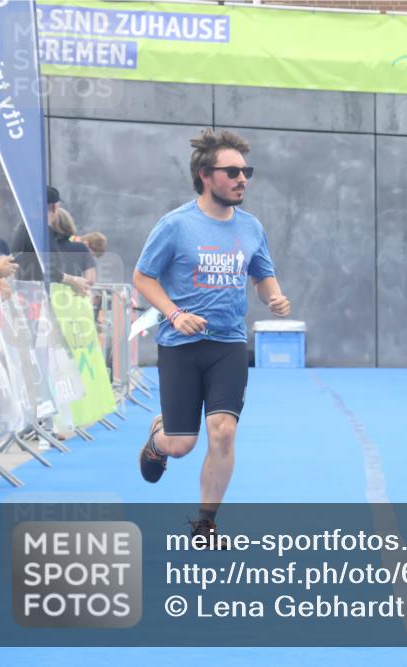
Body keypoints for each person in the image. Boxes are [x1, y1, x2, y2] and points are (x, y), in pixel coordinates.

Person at [134, 128, 290, 542]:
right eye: (233, 171)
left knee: (223, 430)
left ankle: (205, 523)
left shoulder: (252, 227)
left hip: (228, 343)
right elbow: (142, 277)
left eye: (247, 171)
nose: (243, 179)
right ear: (206, 174)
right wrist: (174, 313)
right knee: (182, 444)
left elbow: (262, 275)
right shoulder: (176, 225)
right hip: (180, 345)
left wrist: (273, 298)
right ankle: (158, 437)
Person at [8, 186, 91, 296]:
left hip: (30, 293)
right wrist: (73, 281)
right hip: (32, 296)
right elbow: (44, 266)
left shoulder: (27, 228)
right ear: (54, 207)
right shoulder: (39, 231)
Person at [50, 207, 97, 286]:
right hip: (75, 296)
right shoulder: (80, 248)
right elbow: (91, 279)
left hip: (47, 296)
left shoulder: (43, 248)